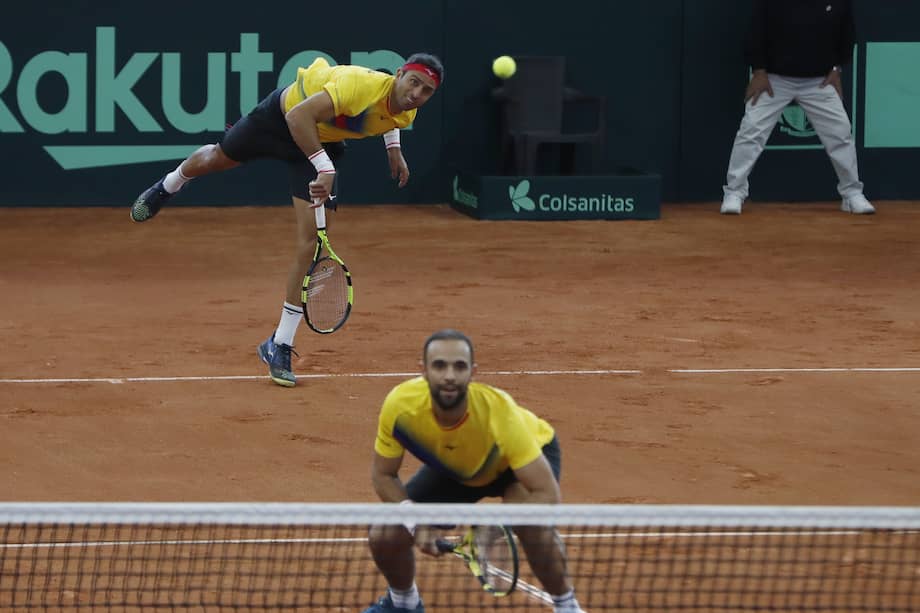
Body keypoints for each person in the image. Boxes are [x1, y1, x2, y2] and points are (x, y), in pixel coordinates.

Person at [130, 53, 444, 387]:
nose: (417, 93)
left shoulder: (407, 110)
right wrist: (325, 167)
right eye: (413, 82)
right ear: (399, 75)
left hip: (320, 142)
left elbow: (389, 115)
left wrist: (393, 149)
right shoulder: (359, 85)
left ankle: (279, 343)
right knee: (218, 158)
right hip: (281, 119)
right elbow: (298, 117)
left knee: (312, 243)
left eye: (426, 90)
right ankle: (170, 183)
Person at [363, 329, 586, 613]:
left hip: (519, 465)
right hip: (460, 470)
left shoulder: (498, 413)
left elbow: (547, 495)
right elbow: (383, 475)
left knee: (532, 524)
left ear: (473, 372)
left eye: (460, 366)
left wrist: (496, 528)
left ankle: (567, 606)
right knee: (384, 532)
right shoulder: (400, 407)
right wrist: (415, 524)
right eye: (440, 365)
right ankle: (404, 604)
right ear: (423, 371)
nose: (449, 376)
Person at [720, 0, 874, 215]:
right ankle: (734, 192)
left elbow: (846, 34)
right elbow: (756, 32)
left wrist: (837, 67)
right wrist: (759, 71)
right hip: (773, 80)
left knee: (840, 134)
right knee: (751, 131)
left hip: (819, 81)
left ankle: (852, 194)